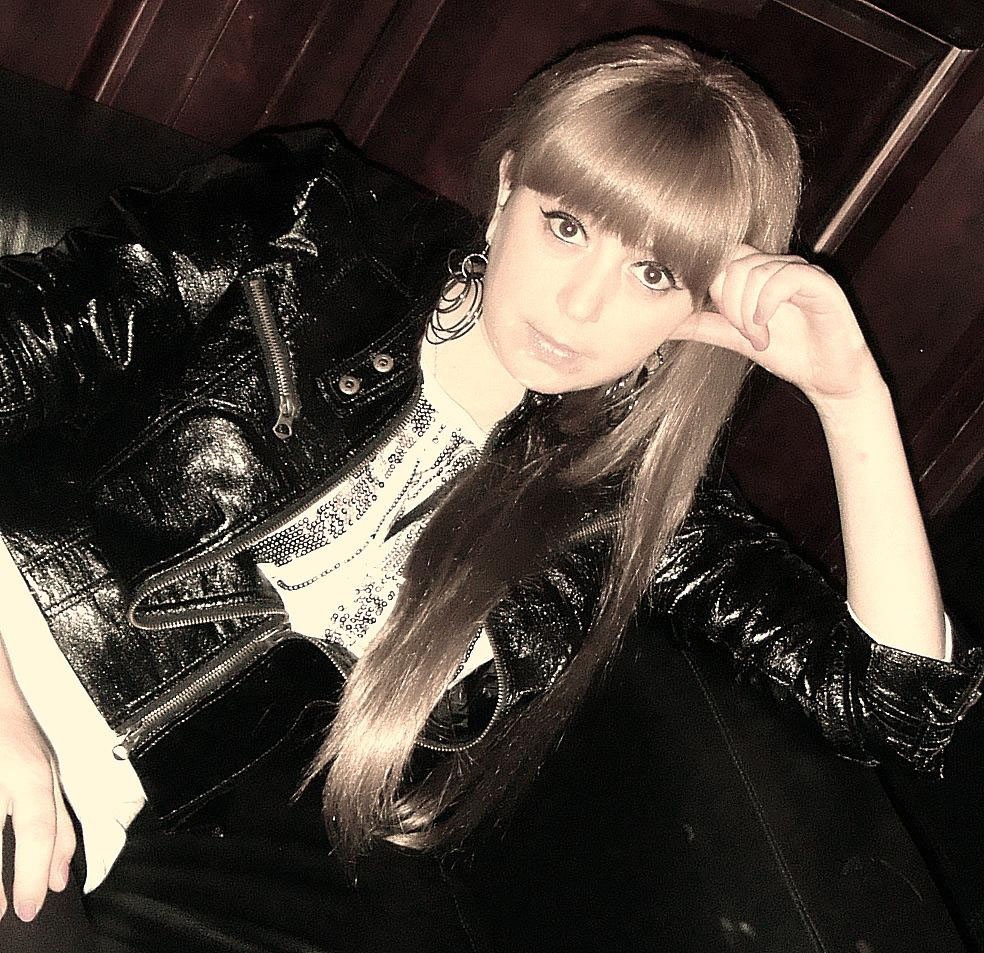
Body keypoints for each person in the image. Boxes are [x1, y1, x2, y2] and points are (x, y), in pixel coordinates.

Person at [0, 32, 982, 952]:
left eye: (652, 273)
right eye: (567, 226)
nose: (580, 305)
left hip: (89, 812)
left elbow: (891, 705)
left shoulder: (632, 501)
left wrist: (851, 395)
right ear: (509, 184)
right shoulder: (307, 222)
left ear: (701, 302)